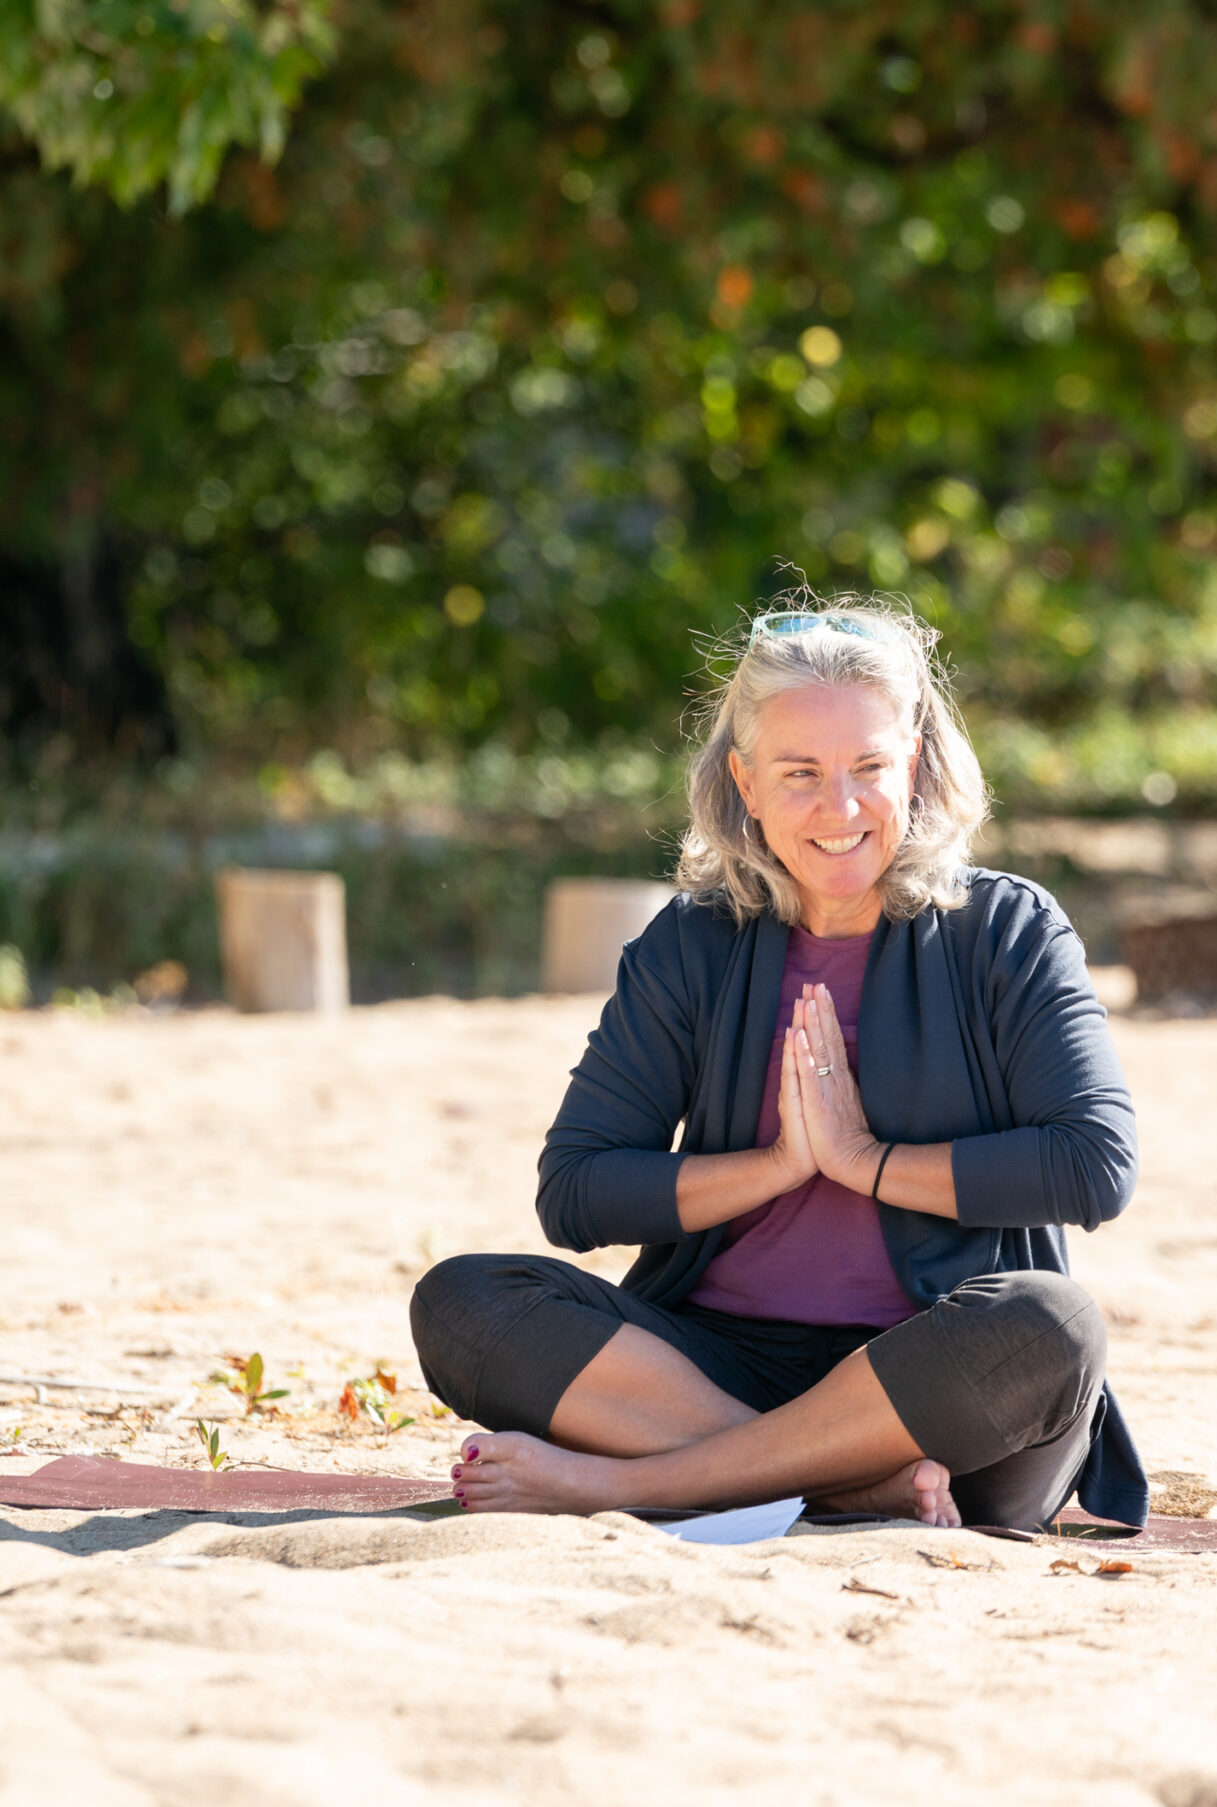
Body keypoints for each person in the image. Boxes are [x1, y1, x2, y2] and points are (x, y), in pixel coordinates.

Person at [411, 599, 1146, 1532]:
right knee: (463, 1300)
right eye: (799, 774)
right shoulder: (692, 944)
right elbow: (577, 1192)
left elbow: (1094, 1165)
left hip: (930, 1378)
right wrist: (778, 1167)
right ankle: (844, 1490)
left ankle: (636, 1484)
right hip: (710, 1367)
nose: (840, 808)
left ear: (913, 766)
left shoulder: (1009, 929)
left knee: (1053, 1324)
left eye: (868, 768)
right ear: (745, 784)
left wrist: (863, 1162)